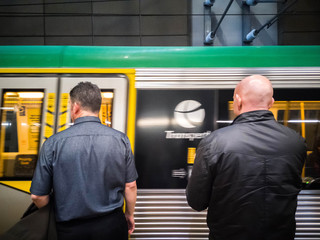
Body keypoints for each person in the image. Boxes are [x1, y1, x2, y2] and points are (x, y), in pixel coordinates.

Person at [186, 75, 306, 240]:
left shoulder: (214, 142)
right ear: (271, 102)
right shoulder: (296, 141)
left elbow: (196, 202)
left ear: (238, 100)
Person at [30, 82, 138, 240]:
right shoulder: (121, 140)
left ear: (75, 107)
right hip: (112, 227)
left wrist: (52, 215)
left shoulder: (53, 143)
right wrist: (129, 214)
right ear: (98, 107)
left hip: (69, 230)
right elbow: (130, 186)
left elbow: (37, 196)